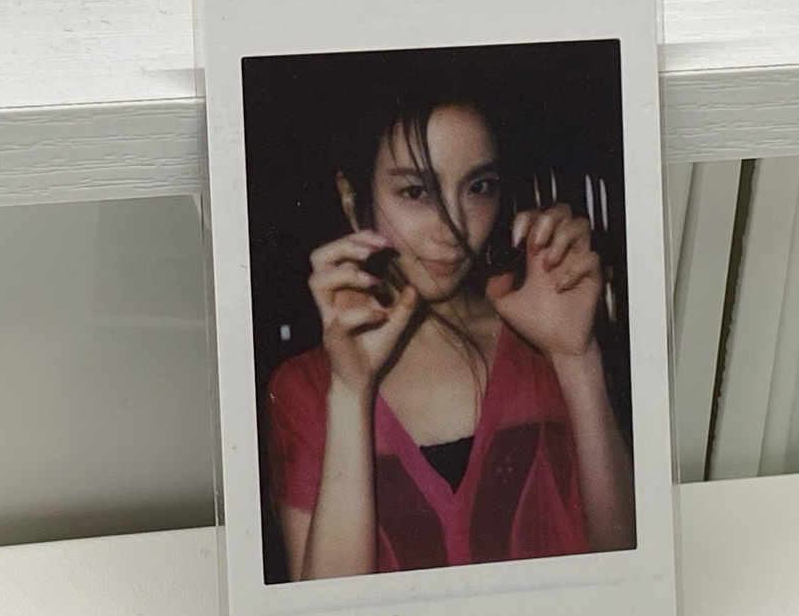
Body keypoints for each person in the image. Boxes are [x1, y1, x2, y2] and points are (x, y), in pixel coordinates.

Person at [266, 83, 636, 580]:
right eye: (416, 192)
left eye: (478, 187)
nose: (453, 228)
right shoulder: (306, 389)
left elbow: (630, 573)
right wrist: (350, 392)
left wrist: (577, 357)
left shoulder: (545, 338)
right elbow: (327, 614)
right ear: (353, 200)